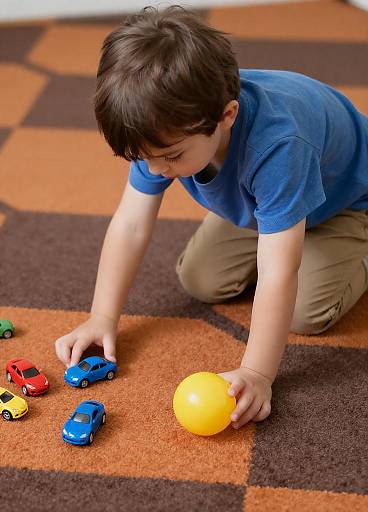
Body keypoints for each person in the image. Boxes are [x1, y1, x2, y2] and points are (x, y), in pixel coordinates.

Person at [54, 5, 368, 429]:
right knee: (200, 279)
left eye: (170, 157)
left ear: (227, 116)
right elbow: (130, 224)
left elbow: (278, 270)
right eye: (143, 159)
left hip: (345, 201)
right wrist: (102, 317)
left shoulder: (278, 145)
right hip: (262, 204)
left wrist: (258, 373)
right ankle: (280, 225)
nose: (157, 170)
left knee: (305, 313)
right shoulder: (158, 129)